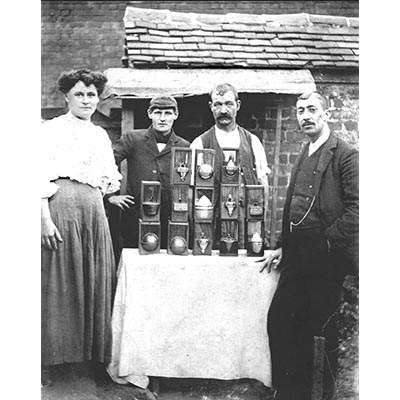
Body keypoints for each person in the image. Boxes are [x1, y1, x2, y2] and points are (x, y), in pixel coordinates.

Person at [258, 91, 359, 400]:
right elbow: (293, 206)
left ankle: (323, 394)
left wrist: (327, 242)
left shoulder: (346, 155)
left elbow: (358, 210)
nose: (305, 116)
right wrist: (281, 245)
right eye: (300, 111)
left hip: (327, 258)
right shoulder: (305, 151)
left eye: (311, 109)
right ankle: (290, 392)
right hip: (296, 257)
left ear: (326, 114)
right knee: (280, 321)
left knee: (321, 330)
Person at [41, 69, 122, 386]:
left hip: (93, 211)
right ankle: (49, 361)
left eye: (91, 95)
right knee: (58, 282)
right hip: (61, 207)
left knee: (95, 279)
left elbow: (108, 179)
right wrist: (44, 218)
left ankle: (93, 359)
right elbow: (36, 175)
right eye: (79, 94)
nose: (86, 100)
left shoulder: (100, 135)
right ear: (66, 97)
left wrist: (101, 200)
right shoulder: (50, 130)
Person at [191, 83, 270, 247]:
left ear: (238, 105)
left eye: (229, 104)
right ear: (211, 107)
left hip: (246, 222)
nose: (223, 110)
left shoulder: (253, 142)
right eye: (218, 105)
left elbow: (263, 185)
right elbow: (191, 191)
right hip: (212, 224)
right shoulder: (200, 144)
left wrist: (260, 221)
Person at [107, 95, 190, 251]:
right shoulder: (133, 139)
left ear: (176, 115)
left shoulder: (184, 146)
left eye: (168, 113)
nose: (162, 118)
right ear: (149, 114)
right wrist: (110, 195)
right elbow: (106, 162)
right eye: (158, 113)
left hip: (170, 220)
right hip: (135, 218)